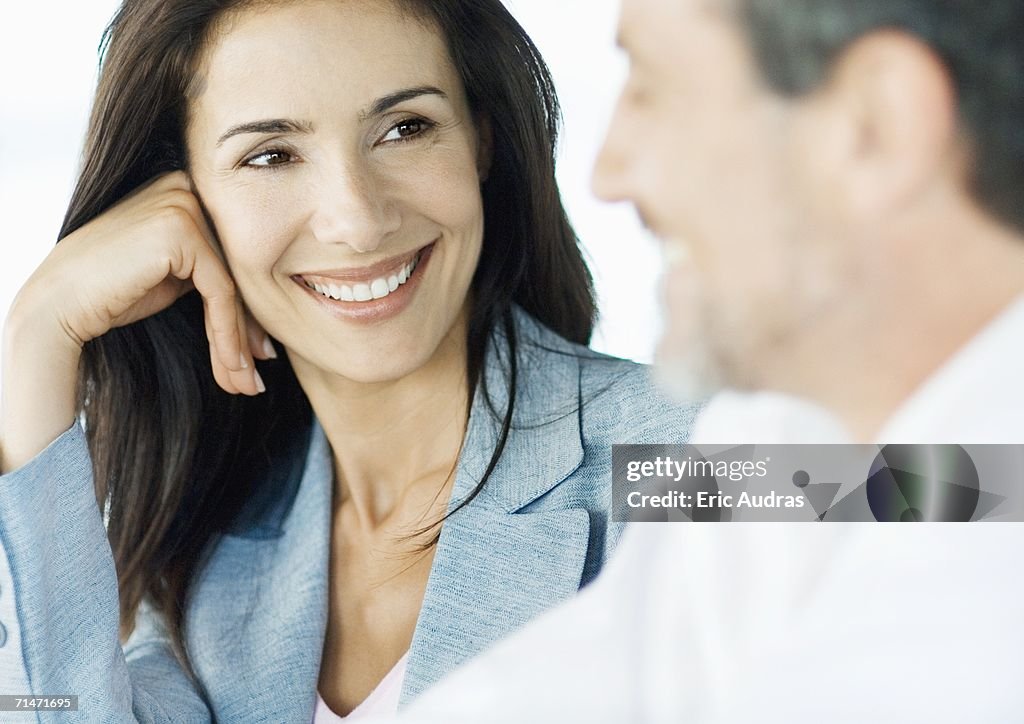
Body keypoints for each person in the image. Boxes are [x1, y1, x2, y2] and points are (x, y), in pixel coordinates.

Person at [0, 0, 699, 720]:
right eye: (271, 155)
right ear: (183, 203)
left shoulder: (695, 448)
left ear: (482, 140)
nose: (358, 221)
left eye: (405, 129)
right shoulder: (207, 564)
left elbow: (819, 554)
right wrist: (36, 338)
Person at [362, 0, 1024, 721]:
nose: (606, 174)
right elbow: (618, 669)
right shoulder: (786, 431)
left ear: (876, 124)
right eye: (264, 158)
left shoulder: (670, 442)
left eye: (652, 85)